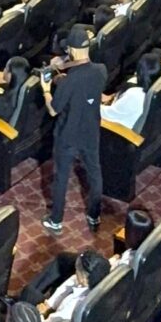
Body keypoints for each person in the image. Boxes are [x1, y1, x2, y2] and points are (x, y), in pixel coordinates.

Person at [39, 26, 106, 233]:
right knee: (95, 174)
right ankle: (94, 215)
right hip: (91, 130)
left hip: (67, 134)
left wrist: (46, 89)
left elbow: (53, 110)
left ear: (72, 50)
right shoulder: (101, 70)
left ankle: (56, 220)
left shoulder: (71, 80)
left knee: (61, 177)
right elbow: (83, 83)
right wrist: (63, 71)